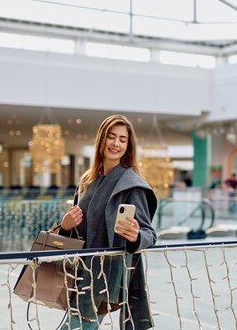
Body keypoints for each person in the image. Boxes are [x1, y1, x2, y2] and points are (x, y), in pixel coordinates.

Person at [59, 114, 157, 330]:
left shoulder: (131, 184)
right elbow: (76, 230)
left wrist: (136, 236)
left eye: (122, 140)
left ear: (128, 147)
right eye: (111, 137)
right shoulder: (88, 180)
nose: (116, 143)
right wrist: (65, 226)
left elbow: (150, 234)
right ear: (101, 140)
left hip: (105, 277)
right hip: (78, 273)